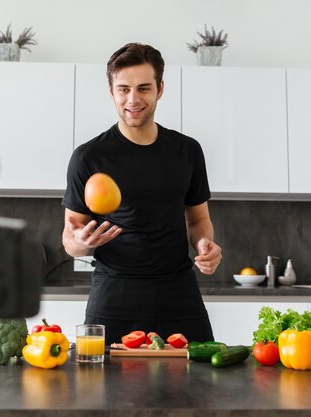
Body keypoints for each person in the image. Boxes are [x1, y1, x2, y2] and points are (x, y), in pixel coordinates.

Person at [62, 42, 222, 345]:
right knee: (103, 389)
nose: (133, 100)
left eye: (144, 88)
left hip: (179, 291)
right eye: (123, 89)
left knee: (196, 387)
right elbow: (70, 237)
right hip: (113, 293)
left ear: (160, 89)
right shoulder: (88, 157)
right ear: (111, 92)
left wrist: (204, 244)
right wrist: (81, 243)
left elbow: (198, 219)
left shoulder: (187, 151)